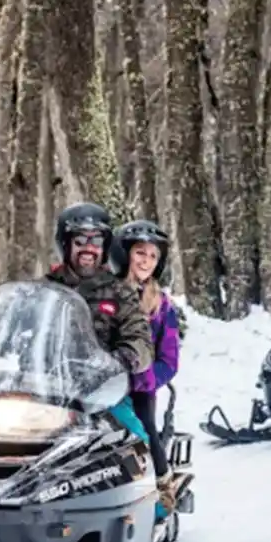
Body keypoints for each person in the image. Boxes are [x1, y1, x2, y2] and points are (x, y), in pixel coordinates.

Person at [45, 202, 154, 441]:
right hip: (45, 387)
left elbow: (140, 340)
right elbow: (19, 327)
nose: (88, 249)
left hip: (101, 391)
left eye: (96, 241)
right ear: (66, 244)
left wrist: (117, 361)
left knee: (137, 444)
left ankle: (155, 471)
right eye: (80, 241)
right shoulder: (46, 288)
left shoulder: (119, 292)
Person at [109, 219, 185, 519]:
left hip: (139, 386)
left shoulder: (161, 305)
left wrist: (146, 378)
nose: (146, 261)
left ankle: (161, 487)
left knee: (143, 432)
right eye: (140, 252)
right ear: (126, 253)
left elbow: (170, 358)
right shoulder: (105, 292)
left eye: (153, 256)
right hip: (100, 382)